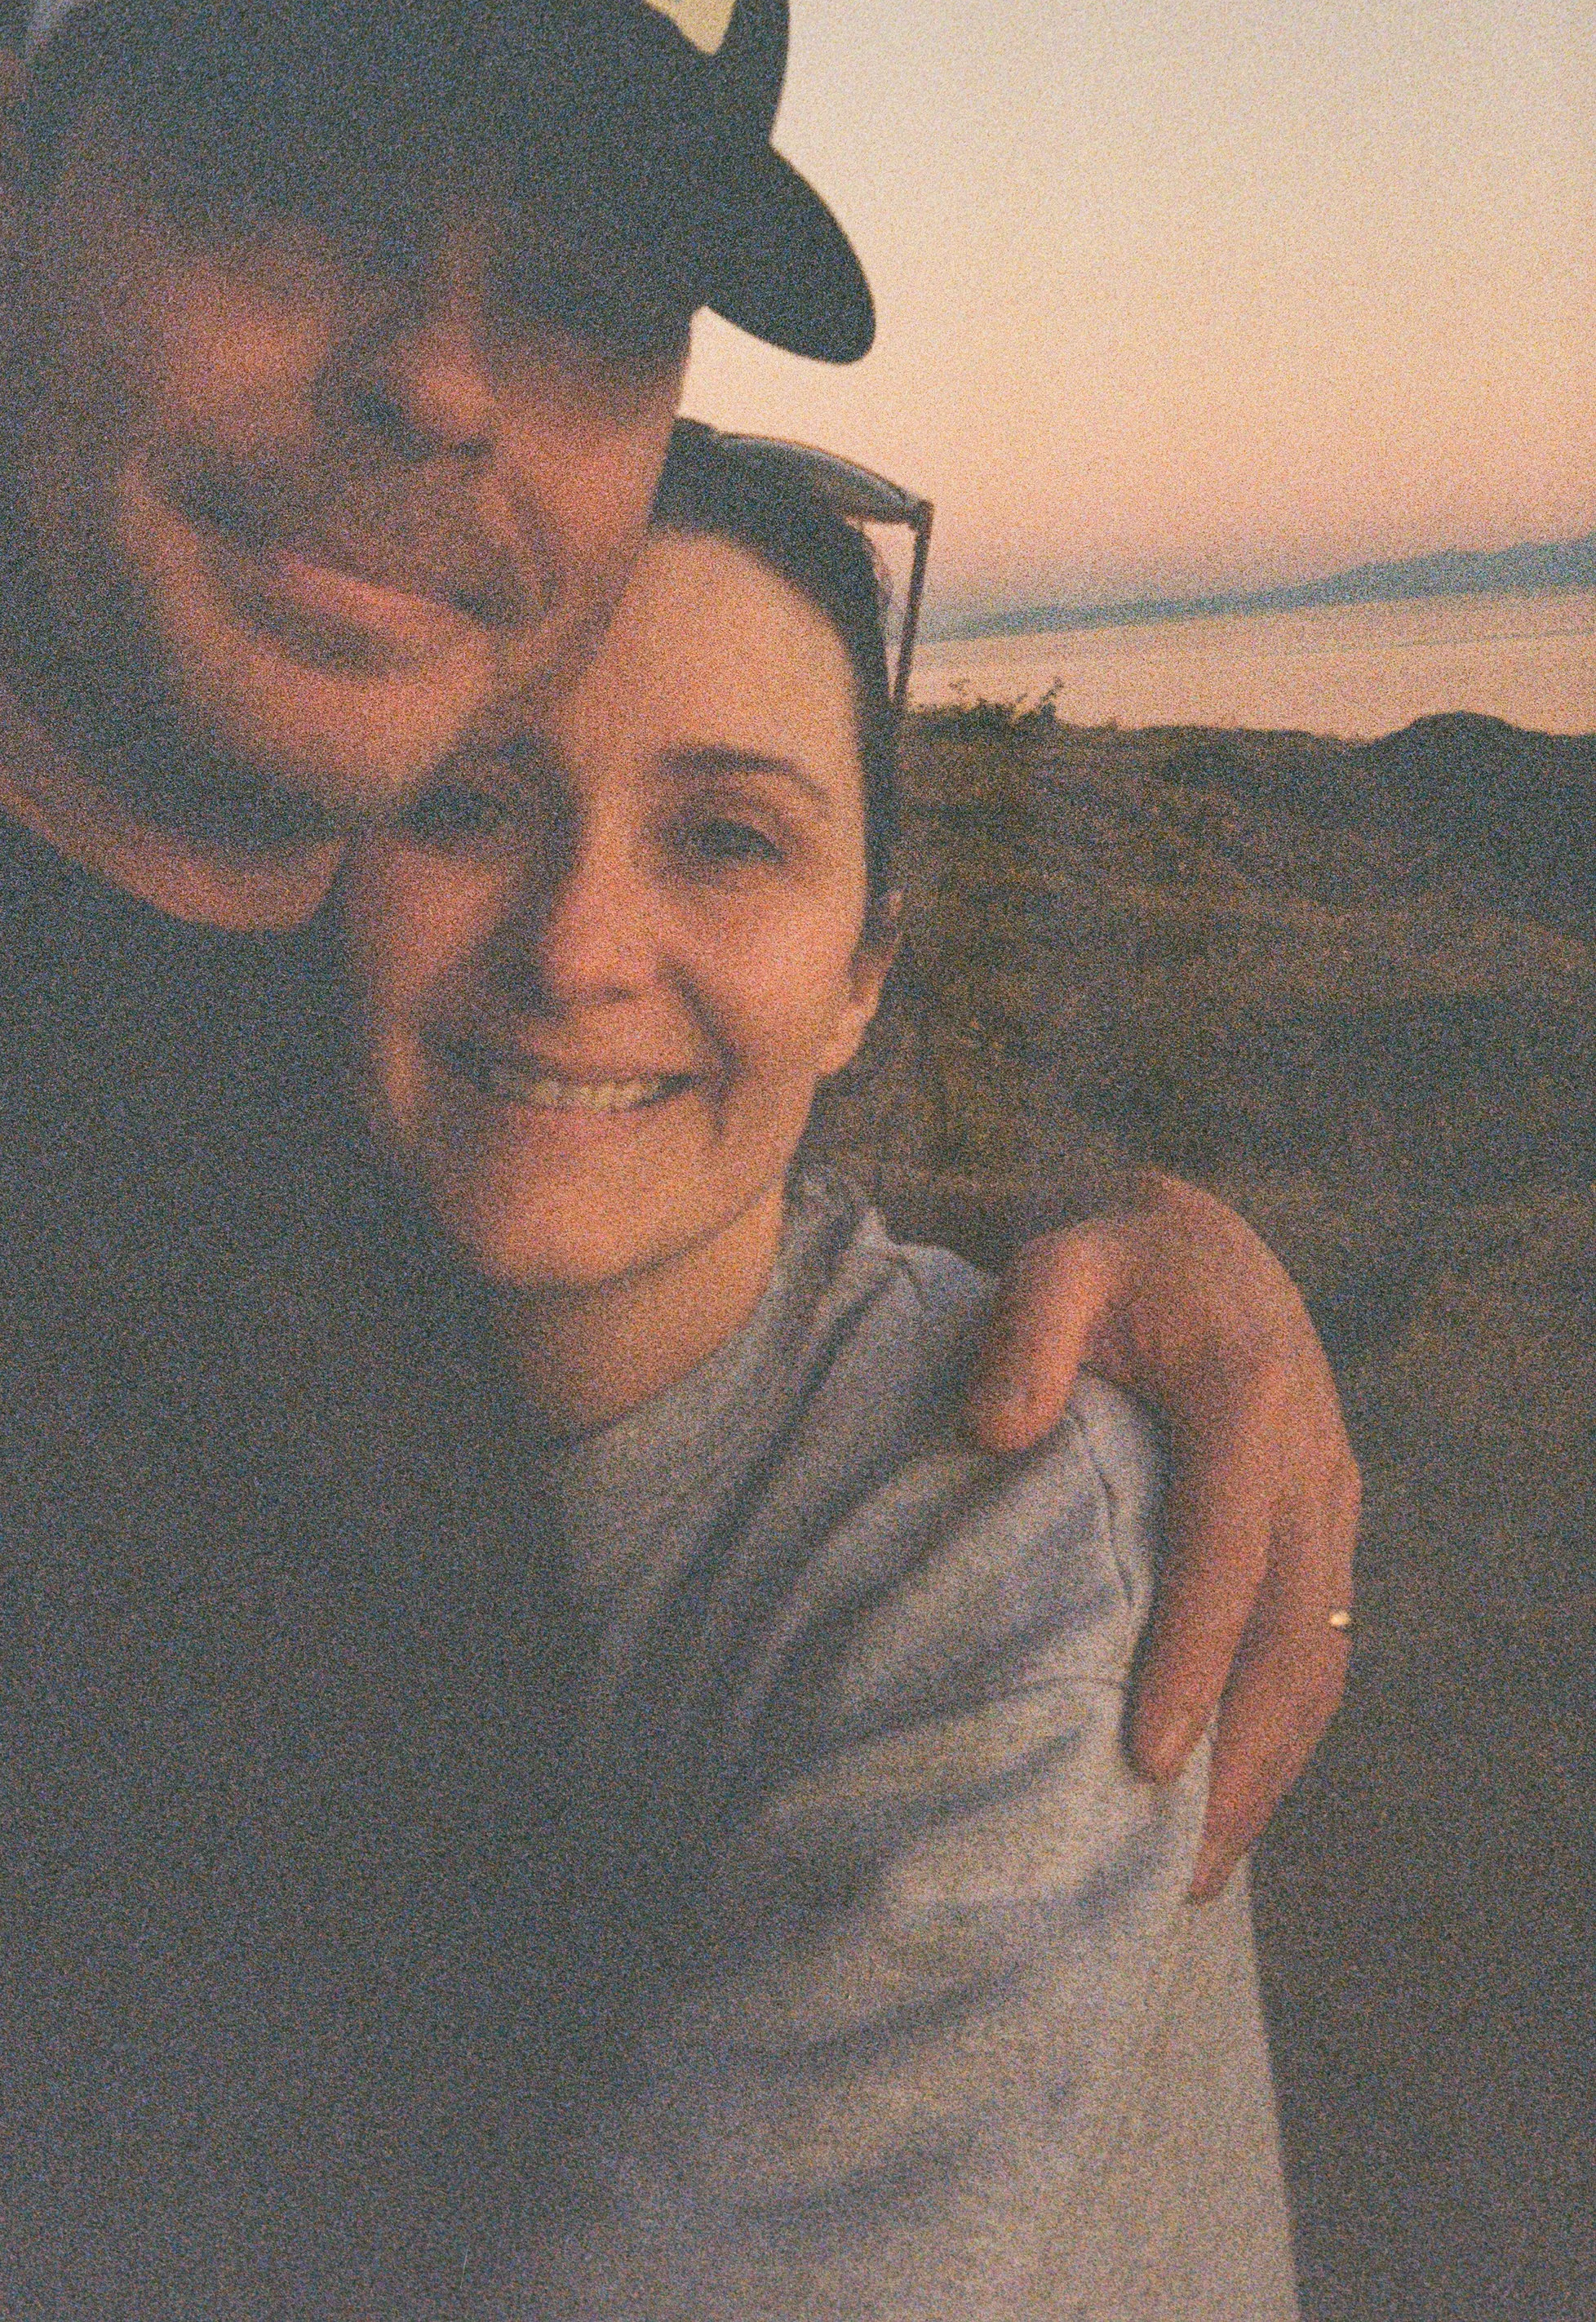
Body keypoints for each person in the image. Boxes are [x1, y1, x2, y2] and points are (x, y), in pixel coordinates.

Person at [0, 0, 1351, 2314]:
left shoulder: (380, 1049)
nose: (441, 379)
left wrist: (1117, 1281)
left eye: (594, 291)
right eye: (292, 179)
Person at [341, 420, 1301, 2318]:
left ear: (859, 976)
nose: (577, 947)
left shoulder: (1005, 1549)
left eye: (725, 838)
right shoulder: (176, 1361)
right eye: (468, 800)